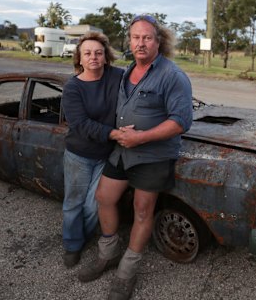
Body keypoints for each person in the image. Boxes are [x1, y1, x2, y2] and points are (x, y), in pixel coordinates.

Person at [77, 15, 193, 300]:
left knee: (143, 210)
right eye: (135, 37)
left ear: (158, 41)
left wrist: (139, 137)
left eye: (147, 38)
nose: (140, 43)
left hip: (153, 153)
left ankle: (127, 272)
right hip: (123, 150)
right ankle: (108, 255)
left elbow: (181, 121)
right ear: (129, 41)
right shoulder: (127, 71)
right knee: (104, 197)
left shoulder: (172, 75)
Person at [61, 31, 124, 268]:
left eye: (98, 53)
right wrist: (114, 133)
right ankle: (72, 245)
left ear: (106, 57)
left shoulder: (117, 76)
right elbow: (80, 124)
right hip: (79, 155)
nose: (93, 57)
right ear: (79, 58)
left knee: (93, 204)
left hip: (105, 155)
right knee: (74, 203)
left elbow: (141, 79)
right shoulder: (73, 87)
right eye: (87, 53)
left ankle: (83, 235)